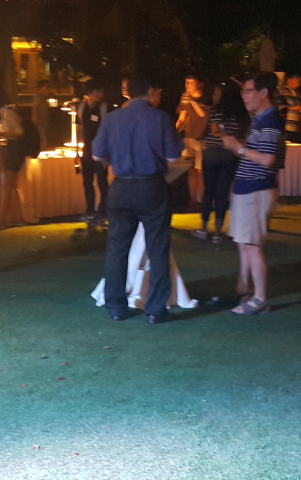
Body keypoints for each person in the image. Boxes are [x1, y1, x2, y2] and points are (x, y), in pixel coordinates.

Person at [92, 76, 183, 324]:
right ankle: (155, 309)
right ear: (150, 91)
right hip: (152, 186)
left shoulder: (112, 118)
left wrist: (114, 161)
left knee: (117, 248)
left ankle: (116, 306)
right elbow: (174, 157)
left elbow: (97, 155)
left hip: (121, 186)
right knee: (158, 248)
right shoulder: (160, 118)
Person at [219, 72, 283, 315]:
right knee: (244, 242)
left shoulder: (269, 121)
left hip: (257, 188)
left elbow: (267, 159)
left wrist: (238, 147)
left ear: (263, 93)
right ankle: (245, 290)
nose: (244, 96)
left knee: (252, 245)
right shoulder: (261, 119)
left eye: (248, 91)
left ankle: (259, 298)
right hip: (248, 187)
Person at [193, 81, 247, 242]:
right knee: (223, 192)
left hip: (211, 153)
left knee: (209, 190)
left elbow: (205, 132)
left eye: (216, 94)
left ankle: (203, 227)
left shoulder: (215, 112)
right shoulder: (241, 115)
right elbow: (243, 135)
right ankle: (218, 230)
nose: (214, 97)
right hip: (230, 154)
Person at [0, 87, 26, 227]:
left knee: (8, 186)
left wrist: (0, 134)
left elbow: (19, 132)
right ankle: (18, 217)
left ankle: (2, 218)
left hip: (14, 149)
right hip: (15, 149)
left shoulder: (8, 112)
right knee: (12, 186)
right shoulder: (8, 111)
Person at [75, 82, 112, 223]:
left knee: (102, 181)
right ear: (89, 93)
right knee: (87, 181)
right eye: (97, 91)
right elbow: (79, 130)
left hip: (101, 150)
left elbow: (109, 131)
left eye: (100, 91)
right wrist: (77, 152)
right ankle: (90, 210)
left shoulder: (104, 107)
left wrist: (107, 154)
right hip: (87, 150)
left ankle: (103, 210)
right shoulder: (81, 107)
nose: (100, 94)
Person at [175, 74, 208, 209]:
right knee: (191, 170)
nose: (188, 85)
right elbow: (182, 118)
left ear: (199, 84)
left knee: (200, 171)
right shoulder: (185, 99)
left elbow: (203, 114)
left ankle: (201, 199)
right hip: (189, 138)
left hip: (201, 139)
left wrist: (192, 102)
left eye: (191, 83)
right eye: (186, 83)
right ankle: (193, 199)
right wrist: (174, 133)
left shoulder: (205, 98)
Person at [278, 72, 301, 139]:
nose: (299, 83)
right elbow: (280, 107)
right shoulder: (283, 91)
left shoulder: (297, 93)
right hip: (286, 125)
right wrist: (294, 108)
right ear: (289, 80)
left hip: (296, 126)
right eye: (297, 80)